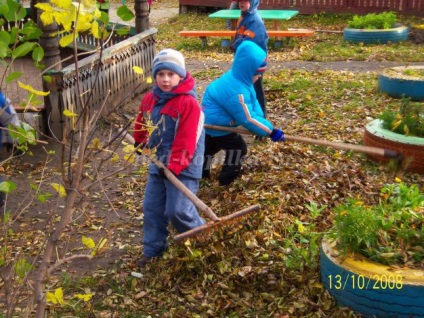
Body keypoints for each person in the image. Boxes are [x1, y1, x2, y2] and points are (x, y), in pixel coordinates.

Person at [132, 48, 205, 267]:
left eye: (171, 75)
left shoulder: (188, 104)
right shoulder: (150, 99)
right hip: (159, 163)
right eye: (161, 74)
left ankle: (201, 239)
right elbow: (143, 120)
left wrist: (175, 165)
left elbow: (186, 139)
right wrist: (140, 139)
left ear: (180, 75)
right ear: (155, 76)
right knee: (152, 207)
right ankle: (154, 248)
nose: (165, 79)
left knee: (178, 210)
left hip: (185, 164)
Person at [201, 41, 285, 186]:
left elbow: (253, 104)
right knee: (238, 149)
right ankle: (226, 180)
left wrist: (263, 123)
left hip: (211, 120)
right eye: (257, 74)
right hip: (216, 124)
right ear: (248, 71)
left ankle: (200, 173)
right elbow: (248, 118)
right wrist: (271, 131)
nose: (259, 77)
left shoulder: (240, 79)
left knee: (210, 148)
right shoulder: (237, 92)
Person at [230, 0, 269, 117]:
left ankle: (262, 116)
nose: (241, 4)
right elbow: (241, 35)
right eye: (240, 1)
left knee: (256, 89)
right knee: (246, 87)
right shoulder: (244, 16)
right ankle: (250, 114)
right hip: (246, 60)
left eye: (245, 1)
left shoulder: (255, 20)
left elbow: (249, 41)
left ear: (252, 3)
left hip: (255, 61)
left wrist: (236, 45)